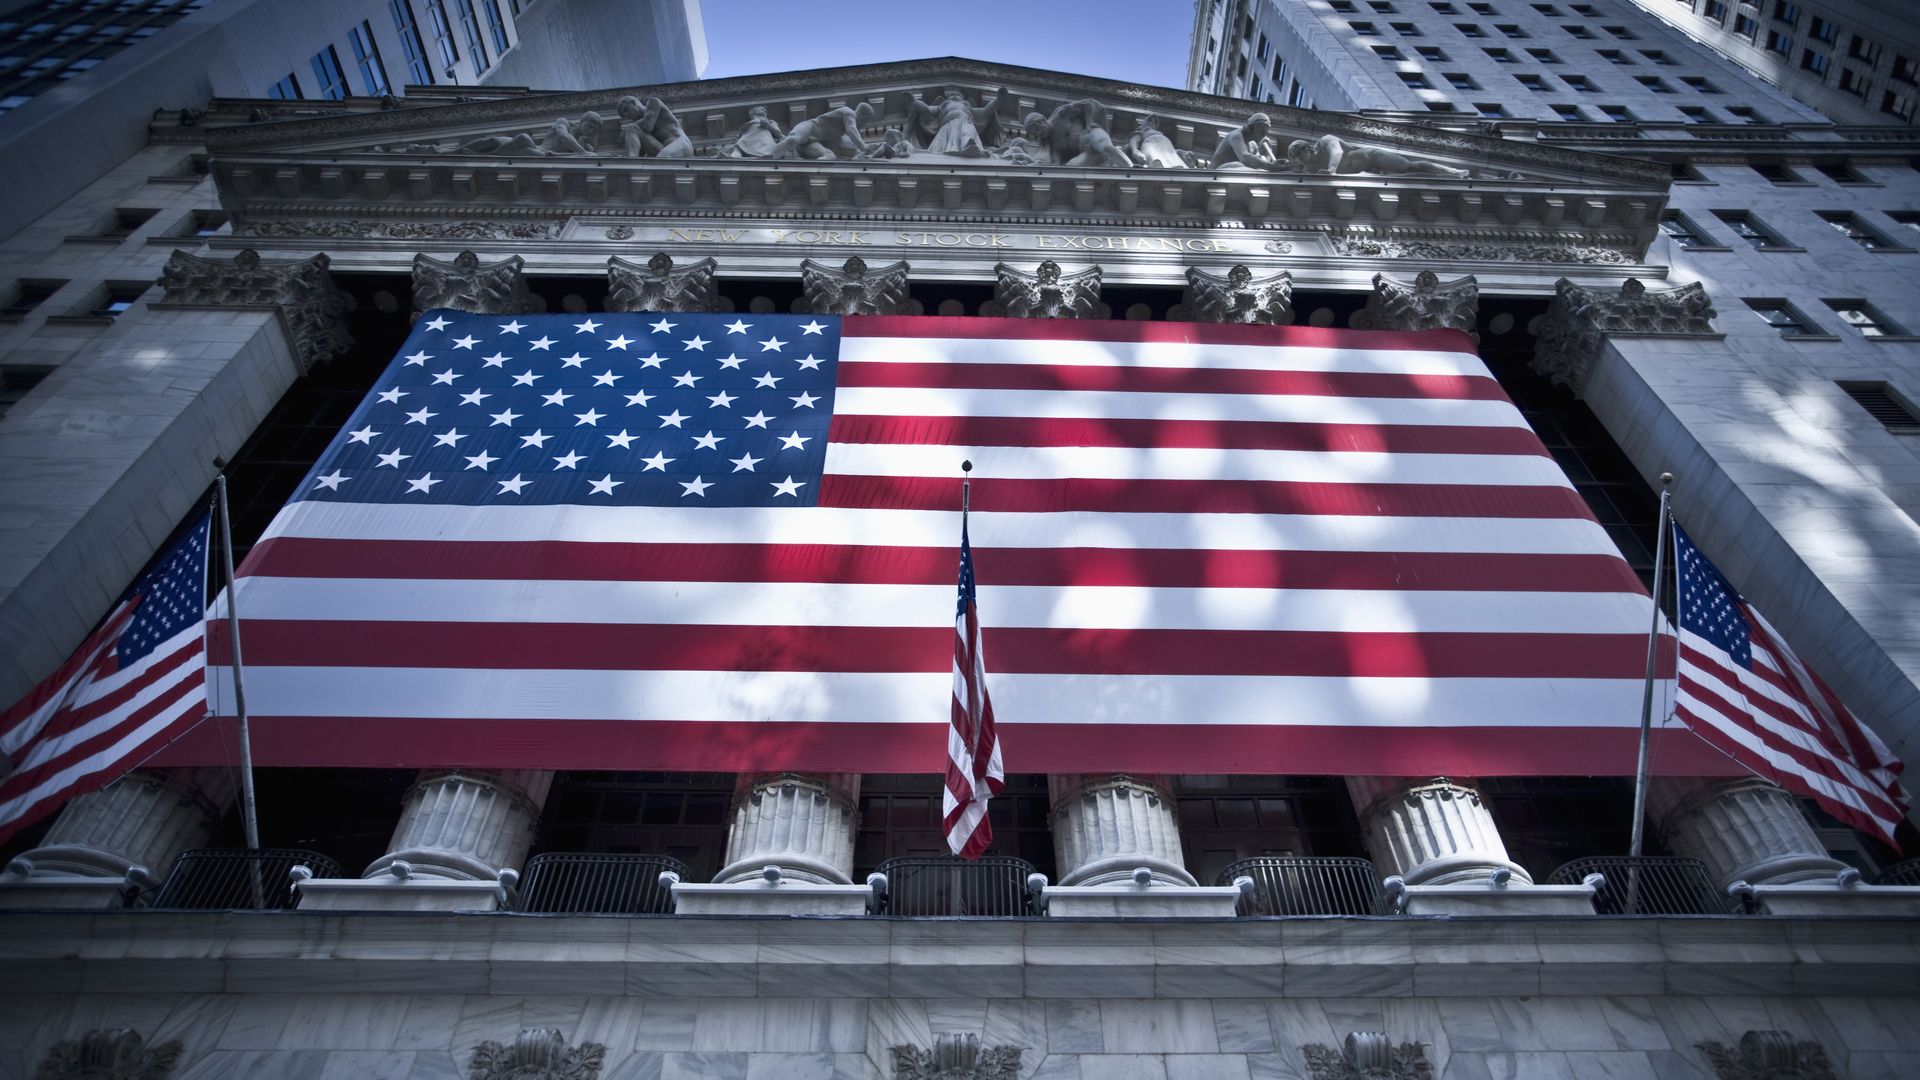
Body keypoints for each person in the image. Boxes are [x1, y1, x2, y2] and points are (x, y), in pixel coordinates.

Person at [1284, 133, 1470, 178]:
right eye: (1298, 161)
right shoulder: (1310, 169)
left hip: (1370, 158)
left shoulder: (1325, 141)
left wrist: (1331, 170)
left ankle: (1452, 172)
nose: (1301, 163)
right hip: (1363, 175)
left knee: (1410, 167)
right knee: (1408, 176)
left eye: (1300, 158)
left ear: (1306, 149)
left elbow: (1337, 151)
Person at [1027, 99, 1131, 168]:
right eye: (1035, 134)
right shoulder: (1048, 143)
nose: (1038, 135)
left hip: (1091, 135)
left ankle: (1131, 167)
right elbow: (1050, 162)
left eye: (1037, 130)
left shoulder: (1060, 114)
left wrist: (1089, 122)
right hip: (1088, 152)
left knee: (1105, 147)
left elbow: (1088, 104)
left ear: (1042, 121)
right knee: (1069, 169)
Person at [906, 87, 1008, 157]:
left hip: (965, 121)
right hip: (948, 125)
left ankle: (969, 145)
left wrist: (999, 100)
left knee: (967, 132)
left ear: (963, 100)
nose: (955, 96)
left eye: (958, 96)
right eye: (951, 97)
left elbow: (986, 111)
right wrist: (914, 102)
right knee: (941, 142)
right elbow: (926, 109)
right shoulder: (942, 107)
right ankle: (944, 150)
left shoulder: (967, 108)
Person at [767, 102, 877, 159]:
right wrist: (864, 147)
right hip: (809, 128)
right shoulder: (849, 112)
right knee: (793, 140)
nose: (863, 123)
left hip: (811, 143)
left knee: (830, 156)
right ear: (862, 115)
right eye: (866, 120)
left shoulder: (840, 132)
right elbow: (852, 130)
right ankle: (769, 158)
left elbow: (840, 148)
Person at [617, 95, 693, 159]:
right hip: (663, 149)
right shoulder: (637, 128)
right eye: (624, 116)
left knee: (660, 161)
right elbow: (640, 153)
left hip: (680, 144)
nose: (627, 116)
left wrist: (624, 132)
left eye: (625, 110)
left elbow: (648, 125)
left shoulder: (653, 102)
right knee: (631, 129)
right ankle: (631, 162)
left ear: (633, 103)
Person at [1209, 113, 1286, 171]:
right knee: (1238, 165)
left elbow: (1259, 164)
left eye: (1265, 133)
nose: (1264, 136)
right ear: (1252, 127)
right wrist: (1271, 166)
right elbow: (1245, 157)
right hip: (1218, 173)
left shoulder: (1252, 145)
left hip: (1236, 173)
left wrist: (1267, 157)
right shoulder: (1236, 135)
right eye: (1262, 132)